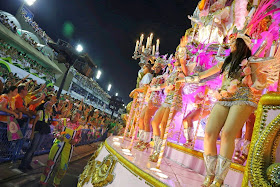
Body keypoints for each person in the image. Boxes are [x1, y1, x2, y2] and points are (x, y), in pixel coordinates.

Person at [178, 34, 259, 186]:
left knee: (228, 133)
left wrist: (251, 73)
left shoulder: (251, 62)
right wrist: (185, 78)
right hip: (223, 97)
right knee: (209, 132)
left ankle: (219, 179)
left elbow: (256, 83)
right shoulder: (225, 62)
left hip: (242, 98)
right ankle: (210, 174)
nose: (231, 44)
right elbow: (202, 75)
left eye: (234, 42)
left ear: (242, 44)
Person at [40, 110, 83, 186]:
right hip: (58, 143)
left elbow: (79, 138)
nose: (76, 117)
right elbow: (55, 130)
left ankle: (56, 182)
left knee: (64, 166)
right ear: (72, 113)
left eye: (78, 116)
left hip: (68, 147)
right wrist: (58, 135)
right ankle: (44, 180)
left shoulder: (79, 127)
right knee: (50, 163)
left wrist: (75, 141)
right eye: (75, 115)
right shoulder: (63, 121)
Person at [134, 57, 166, 151]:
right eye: (155, 67)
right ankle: (142, 139)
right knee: (141, 119)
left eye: (158, 67)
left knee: (147, 119)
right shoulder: (155, 77)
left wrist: (151, 88)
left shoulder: (162, 77)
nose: (156, 68)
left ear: (161, 68)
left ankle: (146, 141)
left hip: (156, 100)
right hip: (150, 99)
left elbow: (159, 89)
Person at [18, 101, 53, 172]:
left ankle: (28, 163)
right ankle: (23, 165)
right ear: (45, 106)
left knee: (35, 148)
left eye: (51, 106)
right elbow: (35, 123)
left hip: (43, 132)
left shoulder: (48, 114)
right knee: (32, 148)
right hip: (38, 132)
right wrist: (32, 133)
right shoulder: (40, 112)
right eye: (49, 105)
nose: (50, 107)